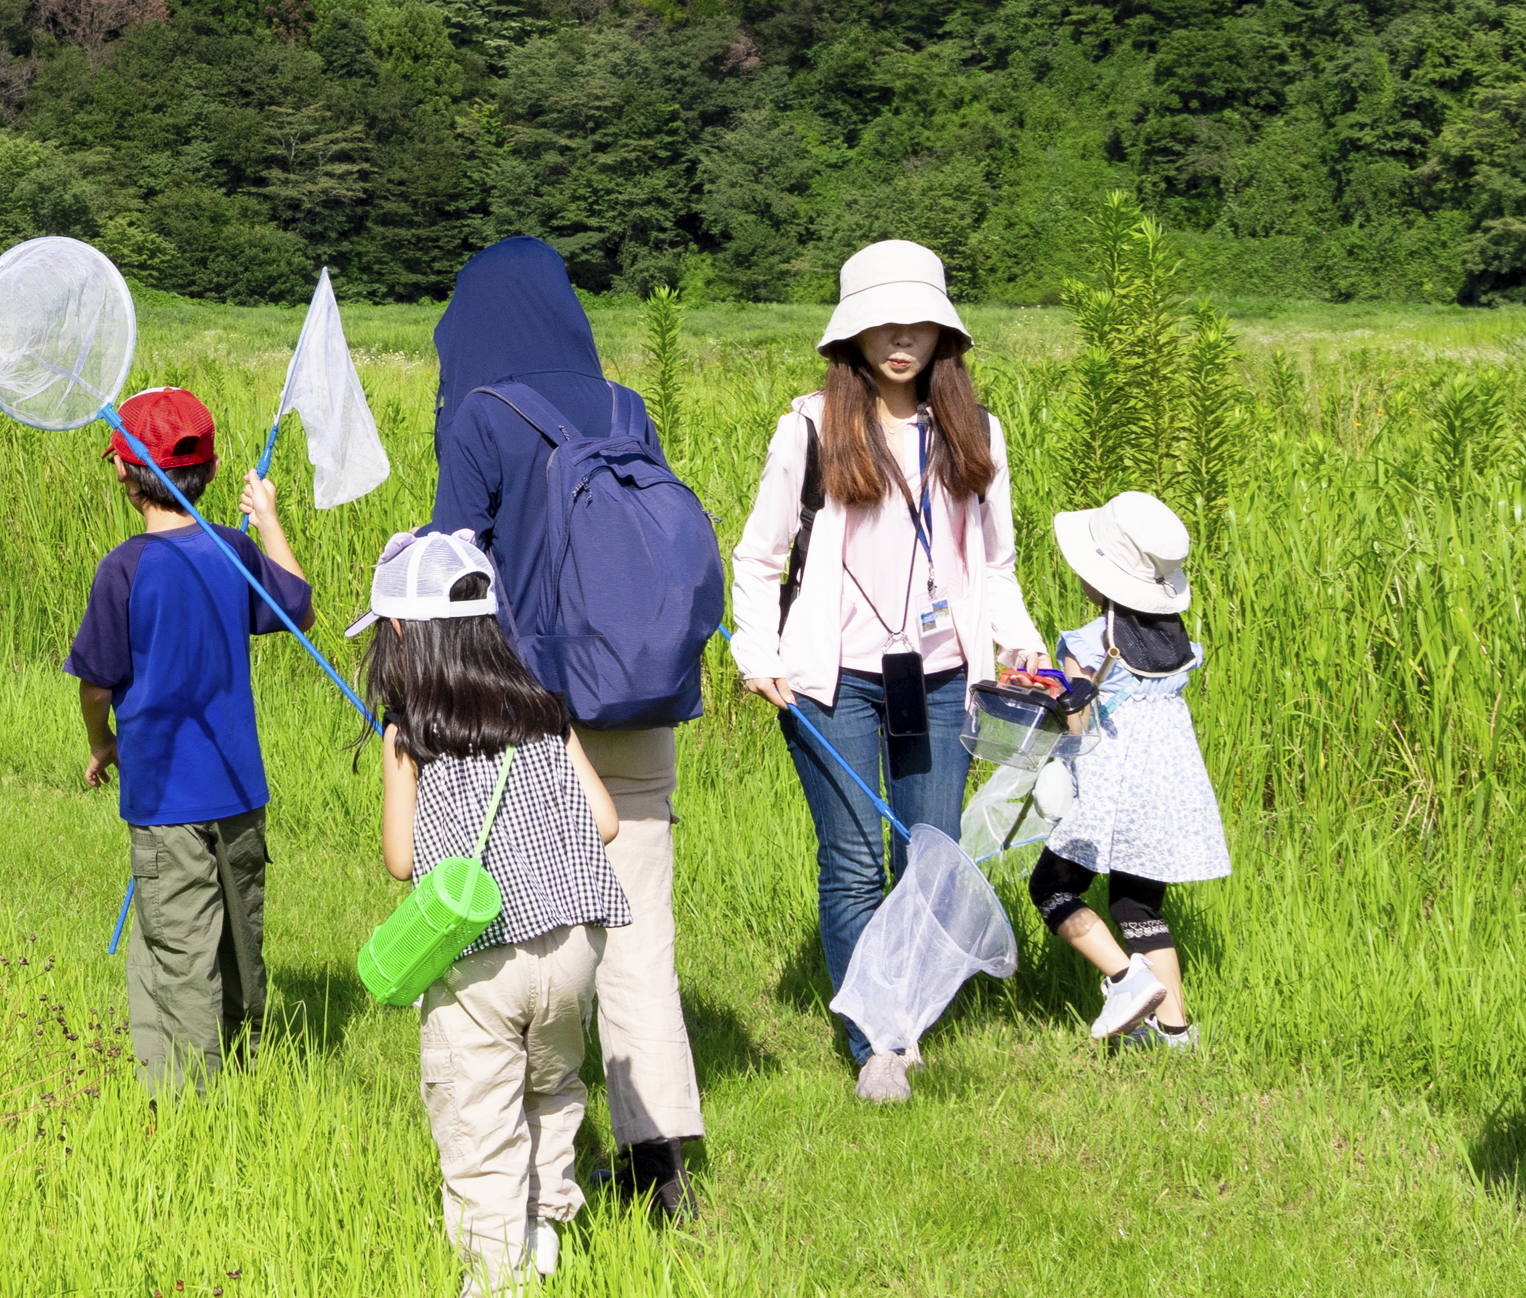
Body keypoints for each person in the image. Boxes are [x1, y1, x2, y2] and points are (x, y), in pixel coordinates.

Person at [424, 239, 705, 1221]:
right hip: (640, 693)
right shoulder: (626, 406)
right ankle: (658, 1156)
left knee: (534, 934)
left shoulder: (478, 415)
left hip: (534, 713)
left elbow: (450, 573)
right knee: (640, 930)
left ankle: (534, 1155)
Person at [727, 239, 1043, 1104]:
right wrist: (758, 656)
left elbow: (996, 567)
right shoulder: (809, 425)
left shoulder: (976, 432)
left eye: (918, 323)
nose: (899, 339)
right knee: (855, 861)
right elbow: (759, 556)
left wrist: (1026, 652)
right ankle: (878, 1042)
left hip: (941, 677)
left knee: (930, 857)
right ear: (850, 333)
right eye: (880, 323)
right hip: (833, 680)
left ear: (945, 334)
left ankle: (905, 1022)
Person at [357, 528, 628, 1298]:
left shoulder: (410, 732)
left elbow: (402, 859)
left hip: (480, 961)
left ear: (400, 632)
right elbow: (605, 821)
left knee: (481, 1126)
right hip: (573, 945)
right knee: (550, 1089)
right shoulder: (542, 710)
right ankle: (543, 1238)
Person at [64, 386, 314, 1091]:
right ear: (206, 471)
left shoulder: (124, 568)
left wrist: (100, 740)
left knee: (179, 951)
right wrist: (265, 519)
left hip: (166, 803)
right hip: (239, 792)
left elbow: (93, 682)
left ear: (122, 470)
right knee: (240, 940)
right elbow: (299, 603)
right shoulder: (233, 551)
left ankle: (187, 1107)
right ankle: (243, 1066)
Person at [1031, 490, 1225, 1052]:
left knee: (1050, 887)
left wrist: (1050, 696)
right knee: (1138, 906)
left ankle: (1127, 980)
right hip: (1165, 798)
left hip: (1108, 797)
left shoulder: (1085, 645)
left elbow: (1078, 730)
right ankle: (1177, 1032)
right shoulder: (1182, 646)